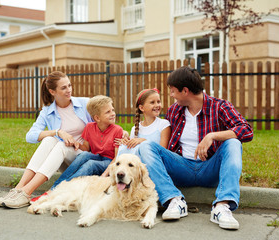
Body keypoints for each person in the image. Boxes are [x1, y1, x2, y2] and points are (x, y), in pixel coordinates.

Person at [137, 66, 253, 230]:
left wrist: (212, 136)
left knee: (233, 142)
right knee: (147, 146)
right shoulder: (174, 110)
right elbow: (159, 136)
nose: (171, 95)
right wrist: (136, 138)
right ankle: (174, 200)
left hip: (209, 169)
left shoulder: (219, 106)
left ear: (185, 91)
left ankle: (222, 206)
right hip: (182, 167)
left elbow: (246, 131)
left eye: (172, 91)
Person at [0, 71, 93, 209]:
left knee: (60, 145)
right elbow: (30, 136)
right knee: (49, 140)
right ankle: (18, 190)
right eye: (63, 87)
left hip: (84, 157)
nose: (69, 90)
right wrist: (57, 132)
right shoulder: (47, 111)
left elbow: (104, 126)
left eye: (69, 85)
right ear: (52, 91)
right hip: (64, 159)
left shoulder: (85, 104)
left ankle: (26, 192)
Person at [32, 95, 123, 199]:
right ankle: (54, 188)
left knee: (91, 164)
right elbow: (86, 148)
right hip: (97, 156)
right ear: (97, 118)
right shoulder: (89, 127)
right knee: (84, 155)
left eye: (112, 110)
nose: (113, 114)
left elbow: (117, 158)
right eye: (108, 112)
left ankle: (59, 190)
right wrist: (75, 143)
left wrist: (104, 175)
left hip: (109, 162)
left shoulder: (118, 130)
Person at [116, 88, 170, 156]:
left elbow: (163, 152)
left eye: (158, 102)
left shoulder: (164, 124)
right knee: (123, 148)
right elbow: (133, 152)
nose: (157, 105)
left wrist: (144, 141)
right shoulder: (135, 129)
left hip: (155, 163)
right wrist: (126, 143)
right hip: (139, 163)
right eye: (152, 102)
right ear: (141, 108)